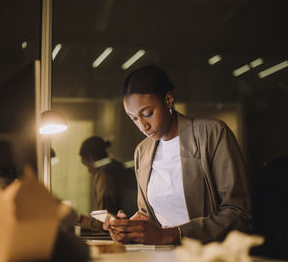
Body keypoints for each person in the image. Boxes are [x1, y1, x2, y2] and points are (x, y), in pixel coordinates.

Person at [103, 66, 252, 244]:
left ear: (168, 100)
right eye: (134, 118)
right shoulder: (142, 152)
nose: (143, 126)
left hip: (208, 255)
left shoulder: (212, 133)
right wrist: (131, 229)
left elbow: (238, 213)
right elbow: (150, 218)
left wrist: (170, 234)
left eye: (148, 113)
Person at [77, 136, 137, 231]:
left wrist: (85, 224)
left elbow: (105, 222)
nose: (88, 170)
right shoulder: (123, 168)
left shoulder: (104, 174)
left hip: (120, 234)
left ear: (91, 157)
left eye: (86, 164)